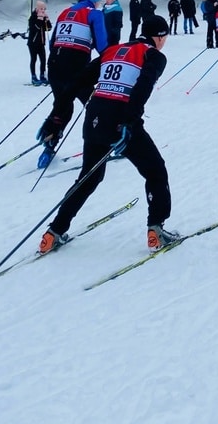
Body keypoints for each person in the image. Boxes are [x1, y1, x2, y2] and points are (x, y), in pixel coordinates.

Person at [38, 14, 179, 255]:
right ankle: (156, 229)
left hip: (94, 118)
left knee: (88, 178)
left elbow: (75, 83)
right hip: (120, 121)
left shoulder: (112, 50)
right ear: (159, 37)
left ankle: (54, 232)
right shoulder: (154, 56)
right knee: (155, 170)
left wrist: (56, 118)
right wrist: (128, 122)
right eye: (164, 37)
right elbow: (142, 89)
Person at [35, 0, 109, 167]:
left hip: (54, 65)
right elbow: (103, 46)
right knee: (94, 105)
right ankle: (106, 143)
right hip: (75, 67)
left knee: (63, 106)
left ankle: (49, 144)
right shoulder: (94, 13)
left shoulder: (65, 12)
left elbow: (53, 42)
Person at [27, 0, 52, 85]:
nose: (43, 10)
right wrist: (39, 19)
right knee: (34, 59)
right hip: (33, 43)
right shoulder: (33, 17)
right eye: (41, 8)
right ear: (37, 9)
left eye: (44, 9)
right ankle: (33, 77)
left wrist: (47, 20)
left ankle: (42, 75)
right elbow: (35, 28)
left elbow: (48, 28)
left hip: (41, 43)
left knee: (43, 60)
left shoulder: (43, 17)